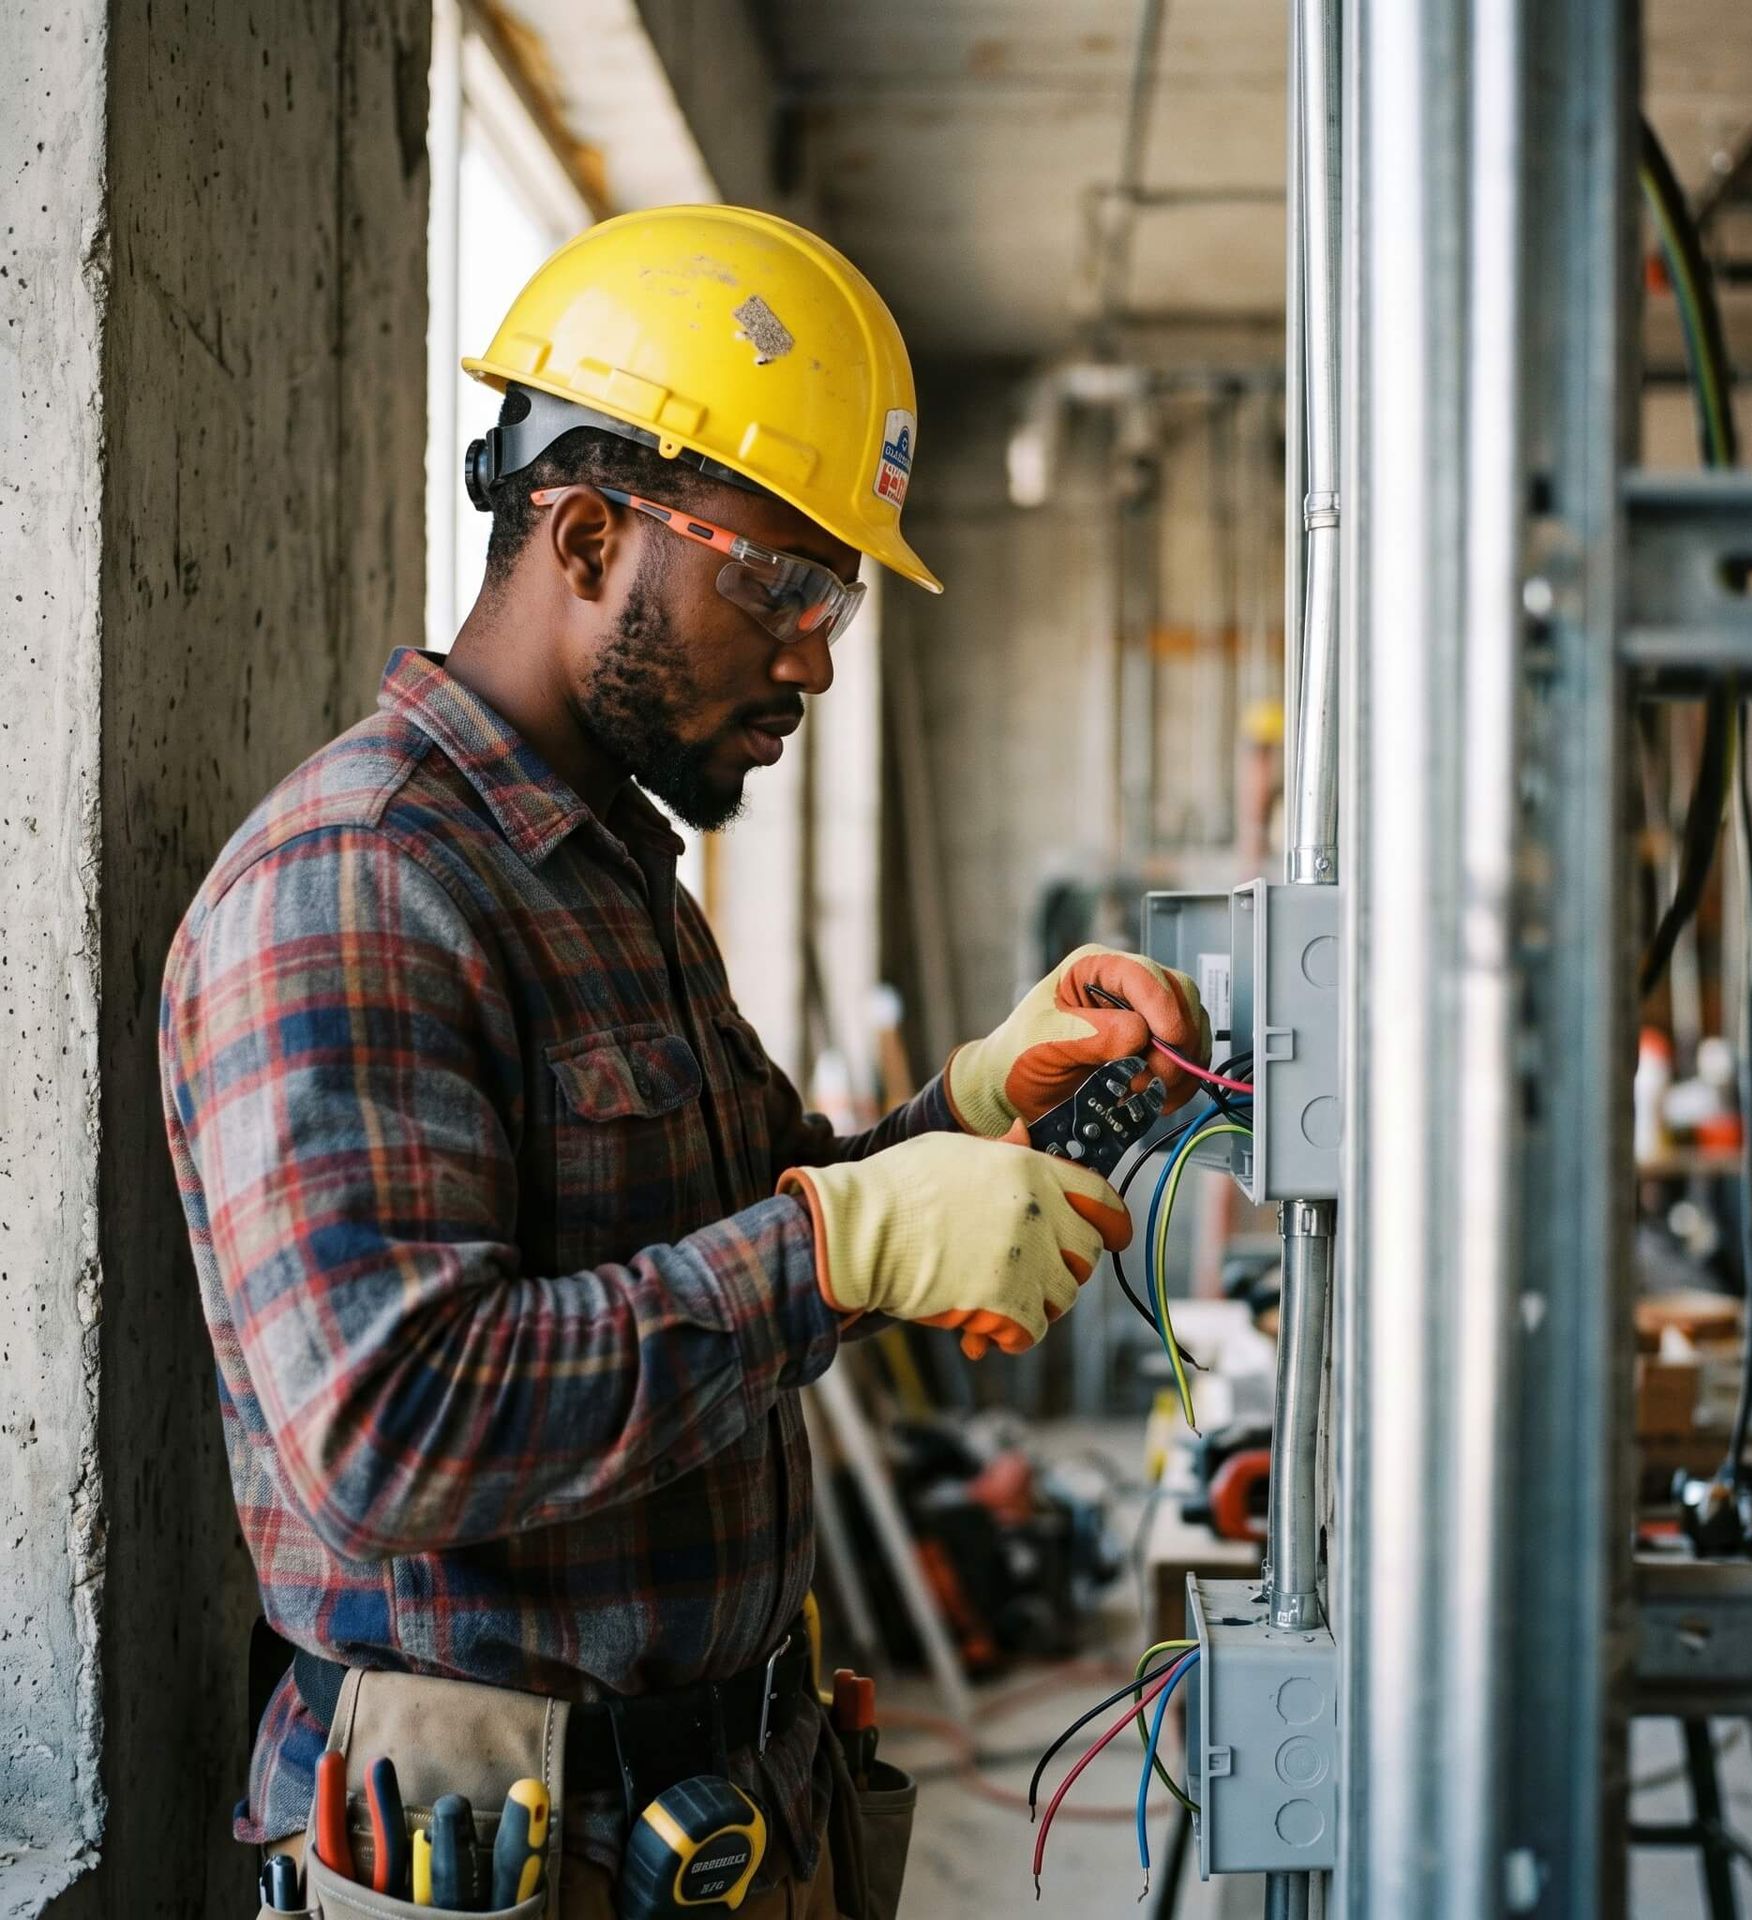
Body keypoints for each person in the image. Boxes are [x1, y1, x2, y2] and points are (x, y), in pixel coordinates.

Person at [159, 205, 1208, 1918]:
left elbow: (734, 1244)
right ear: (581, 535)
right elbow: (390, 1434)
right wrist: (838, 1240)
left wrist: (960, 1110)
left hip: (710, 1817)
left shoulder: (610, 871)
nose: (814, 652)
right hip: (495, 1836)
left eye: (837, 598)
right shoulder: (360, 882)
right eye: (777, 584)